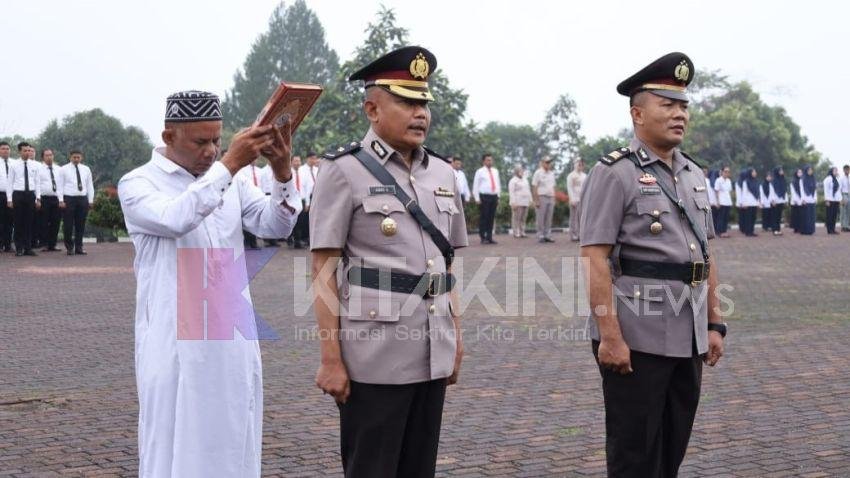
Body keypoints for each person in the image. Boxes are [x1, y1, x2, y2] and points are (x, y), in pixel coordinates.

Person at [118, 90, 300, 477]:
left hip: (228, 330)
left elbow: (276, 225)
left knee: (234, 433)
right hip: (172, 336)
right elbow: (175, 218)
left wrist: (283, 173)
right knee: (174, 437)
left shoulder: (230, 183)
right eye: (201, 142)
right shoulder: (138, 184)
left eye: (217, 140)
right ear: (169, 137)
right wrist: (231, 163)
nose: (212, 151)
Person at [310, 46, 467, 478]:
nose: (420, 113)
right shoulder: (342, 170)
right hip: (372, 355)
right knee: (372, 468)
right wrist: (330, 358)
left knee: (419, 468)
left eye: (425, 103)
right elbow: (323, 269)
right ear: (372, 108)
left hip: (432, 345)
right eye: (407, 101)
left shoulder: (443, 174)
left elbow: (447, 265)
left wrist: (457, 335)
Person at [580, 52, 725, 477]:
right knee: (634, 452)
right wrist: (609, 336)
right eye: (668, 104)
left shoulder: (694, 175)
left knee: (672, 447)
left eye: (683, 106)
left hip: (689, 332)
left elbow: (706, 254)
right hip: (637, 334)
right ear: (638, 113)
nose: (679, 114)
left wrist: (715, 323)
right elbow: (594, 258)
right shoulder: (615, 173)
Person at [6, 142, 41, 256]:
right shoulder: (14, 165)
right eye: (25, 151)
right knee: (18, 222)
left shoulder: (35, 165)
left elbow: (37, 182)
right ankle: (19, 247)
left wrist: (38, 198)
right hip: (18, 194)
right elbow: (9, 183)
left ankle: (28, 248)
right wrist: (9, 199)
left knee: (29, 222)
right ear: (19, 151)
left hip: (30, 195)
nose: (27, 153)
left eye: (29, 150)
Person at [57, 149, 95, 255]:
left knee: (81, 224)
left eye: (78, 157)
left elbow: (89, 185)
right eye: (74, 157)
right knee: (68, 224)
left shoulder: (86, 169)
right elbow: (59, 186)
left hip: (82, 198)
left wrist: (90, 200)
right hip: (69, 198)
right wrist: (60, 200)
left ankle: (79, 247)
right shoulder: (63, 169)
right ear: (70, 157)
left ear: (81, 157)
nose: (76, 159)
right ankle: (69, 247)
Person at [36, 148, 62, 251]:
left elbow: (61, 185)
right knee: (44, 221)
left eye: (51, 155)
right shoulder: (39, 169)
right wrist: (37, 199)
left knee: (56, 221)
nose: (49, 157)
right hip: (44, 198)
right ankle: (45, 243)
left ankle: (53, 244)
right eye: (47, 155)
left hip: (56, 198)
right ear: (43, 157)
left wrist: (61, 199)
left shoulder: (59, 169)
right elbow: (37, 184)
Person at [236, 159, 265, 249]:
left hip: (257, 197)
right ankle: (247, 242)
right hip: (247, 198)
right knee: (246, 220)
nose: (254, 160)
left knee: (255, 220)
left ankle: (253, 242)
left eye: (255, 159)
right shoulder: (243, 170)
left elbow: (262, 184)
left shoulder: (260, 171)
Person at [472, 153, 500, 244]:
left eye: (491, 160)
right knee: (484, 217)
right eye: (488, 160)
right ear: (483, 161)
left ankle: (489, 237)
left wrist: (498, 196)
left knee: (491, 217)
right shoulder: (479, 171)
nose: (490, 162)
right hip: (484, 196)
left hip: (493, 196)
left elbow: (498, 184)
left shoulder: (495, 171)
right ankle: (482, 237)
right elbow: (475, 185)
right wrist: (477, 198)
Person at [531, 156, 557, 243]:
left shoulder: (552, 173)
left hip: (551, 197)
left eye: (549, 162)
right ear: (542, 163)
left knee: (549, 218)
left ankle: (547, 235)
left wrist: (554, 197)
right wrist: (536, 200)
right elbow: (534, 186)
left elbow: (553, 186)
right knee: (540, 217)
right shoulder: (538, 173)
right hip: (541, 196)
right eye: (546, 162)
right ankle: (540, 235)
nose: (548, 164)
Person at [289, 155, 311, 248]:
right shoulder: (288, 173)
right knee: (292, 221)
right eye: (295, 161)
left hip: (301, 200)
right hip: (291, 201)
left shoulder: (303, 173)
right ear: (291, 162)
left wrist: (307, 203)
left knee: (301, 221)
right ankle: (292, 240)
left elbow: (306, 189)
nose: (297, 163)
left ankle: (298, 240)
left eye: (299, 161)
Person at [0, 141, 16, 252]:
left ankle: (8, 244)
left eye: (7, 148)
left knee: (10, 220)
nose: (6, 150)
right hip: (0, 194)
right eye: (3, 148)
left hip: (12, 196)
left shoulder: (15, 163)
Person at [566, 159, 587, 241]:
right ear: (575, 164)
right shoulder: (571, 175)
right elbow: (569, 188)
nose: (580, 165)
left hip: (582, 199)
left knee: (581, 218)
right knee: (573, 218)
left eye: (581, 164)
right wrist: (571, 199)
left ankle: (580, 234)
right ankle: (573, 235)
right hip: (574, 199)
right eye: (578, 164)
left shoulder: (585, 175)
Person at [508, 164, 531, 237]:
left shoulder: (525, 179)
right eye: (520, 171)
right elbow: (511, 192)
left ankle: (522, 231)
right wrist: (513, 203)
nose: (522, 172)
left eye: (522, 170)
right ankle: (516, 232)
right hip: (517, 202)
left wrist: (531, 199)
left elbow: (528, 190)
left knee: (523, 218)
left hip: (525, 201)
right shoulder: (513, 181)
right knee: (516, 218)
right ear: (516, 172)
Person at [740, 168, 761, 237]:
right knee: (748, 218)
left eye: (755, 172)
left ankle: (752, 231)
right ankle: (747, 232)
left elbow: (758, 193)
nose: (755, 173)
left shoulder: (756, 181)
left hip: (754, 202)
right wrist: (744, 203)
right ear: (750, 173)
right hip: (748, 203)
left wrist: (758, 202)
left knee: (753, 218)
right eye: (753, 172)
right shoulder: (745, 182)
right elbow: (744, 193)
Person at [714, 166, 733, 237]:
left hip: (728, 202)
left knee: (726, 218)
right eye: (725, 171)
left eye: (728, 172)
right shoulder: (718, 180)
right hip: (721, 202)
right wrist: (718, 202)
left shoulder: (729, 181)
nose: (727, 173)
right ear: (722, 172)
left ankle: (724, 231)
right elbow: (716, 191)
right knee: (720, 218)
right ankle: (719, 232)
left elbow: (729, 191)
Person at [823, 166, 841, 235]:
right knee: (829, 215)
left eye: (837, 171)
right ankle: (829, 230)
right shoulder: (828, 179)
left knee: (834, 215)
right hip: (830, 199)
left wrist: (839, 199)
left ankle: (833, 229)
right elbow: (826, 190)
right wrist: (826, 200)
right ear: (831, 171)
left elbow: (838, 190)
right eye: (835, 171)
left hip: (836, 200)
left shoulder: (836, 179)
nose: (836, 172)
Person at [799, 165, 817, 235]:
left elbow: (815, 189)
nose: (810, 171)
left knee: (811, 216)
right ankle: (805, 230)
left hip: (812, 199)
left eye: (811, 170)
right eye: (809, 170)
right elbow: (801, 190)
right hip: (806, 199)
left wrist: (815, 198)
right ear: (806, 171)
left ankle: (810, 230)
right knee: (805, 216)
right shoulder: (802, 179)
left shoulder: (813, 179)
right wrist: (803, 199)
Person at [770, 166, 788, 235]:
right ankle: (774, 230)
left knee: (779, 216)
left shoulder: (783, 180)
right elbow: (772, 191)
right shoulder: (773, 181)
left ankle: (778, 229)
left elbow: (785, 190)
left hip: (781, 200)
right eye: (780, 171)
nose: (782, 172)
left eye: (782, 170)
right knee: (775, 216)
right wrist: (773, 200)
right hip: (775, 201)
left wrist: (785, 200)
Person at [705, 168, 719, 235]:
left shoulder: (716, 181)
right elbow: (708, 193)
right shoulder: (706, 181)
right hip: (709, 202)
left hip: (715, 203)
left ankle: (716, 230)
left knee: (715, 218)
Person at [789, 168, 804, 233]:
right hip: (795, 201)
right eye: (799, 172)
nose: (800, 174)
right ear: (796, 173)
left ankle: (800, 227)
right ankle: (796, 228)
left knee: (801, 215)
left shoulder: (803, 181)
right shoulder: (793, 181)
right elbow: (793, 192)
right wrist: (796, 200)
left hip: (802, 200)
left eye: (801, 172)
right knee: (795, 215)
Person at [840, 164, 850, 231]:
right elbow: (839, 189)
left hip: (849, 195)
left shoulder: (849, 178)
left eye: (848, 169)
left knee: (848, 211)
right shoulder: (841, 178)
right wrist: (841, 198)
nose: (847, 171)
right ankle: (843, 226)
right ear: (843, 170)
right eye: (846, 169)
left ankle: (847, 226)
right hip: (844, 194)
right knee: (843, 211)